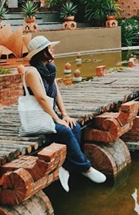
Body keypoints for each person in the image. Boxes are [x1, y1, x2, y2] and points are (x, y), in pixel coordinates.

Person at [25, 35, 106, 192]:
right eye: (49, 48)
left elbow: (56, 93)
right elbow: (41, 98)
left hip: (49, 114)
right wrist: (57, 119)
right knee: (64, 130)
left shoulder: (50, 69)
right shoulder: (32, 72)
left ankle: (66, 166)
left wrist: (65, 115)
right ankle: (86, 168)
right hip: (36, 118)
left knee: (74, 126)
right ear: (41, 52)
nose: (53, 50)